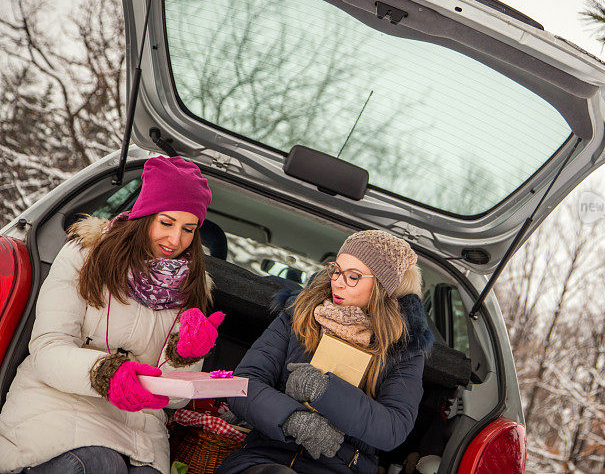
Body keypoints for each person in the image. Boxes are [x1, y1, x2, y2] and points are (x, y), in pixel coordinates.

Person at [0, 156, 224, 474]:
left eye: (188, 229)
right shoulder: (85, 255)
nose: (176, 240)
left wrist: (185, 356)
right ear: (144, 215)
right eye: (167, 223)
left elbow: (175, 399)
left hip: (139, 425)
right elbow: (47, 350)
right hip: (60, 401)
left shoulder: (190, 286)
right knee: (99, 464)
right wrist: (106, 374)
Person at [218, 230, 434, 474]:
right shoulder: (297, 315)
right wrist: (291, 419)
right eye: (337, 271)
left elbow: (393, 429)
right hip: (265, 456)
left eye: (353, 276)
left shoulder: (403, 348)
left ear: (382, 287)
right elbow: (243, 384)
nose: (338, 282)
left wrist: (323, 391)